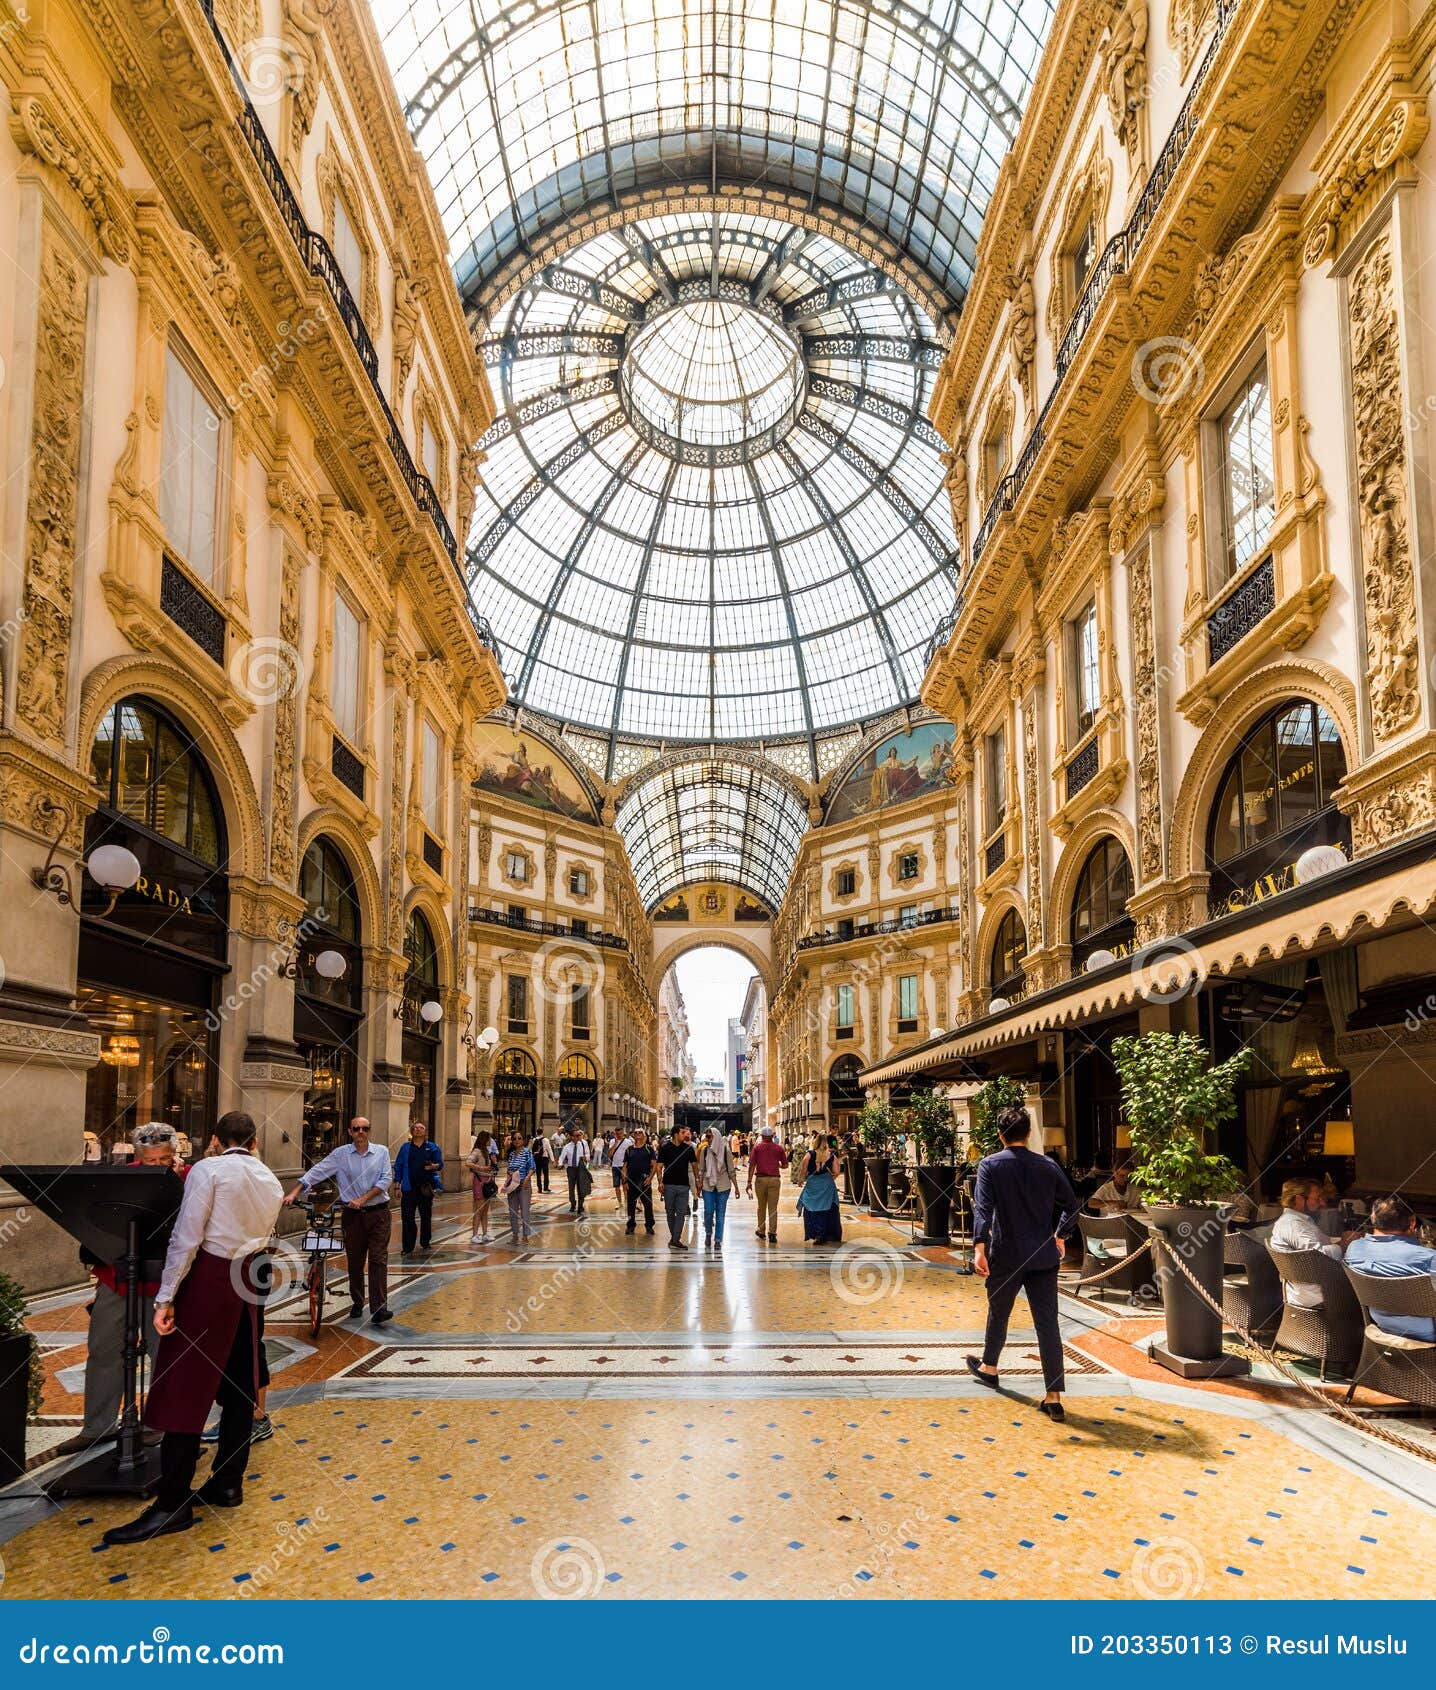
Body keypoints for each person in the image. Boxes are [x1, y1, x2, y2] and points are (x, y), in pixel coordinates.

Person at [102, 1112, 283, 1544]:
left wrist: (165, 1297)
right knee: (240, 1385)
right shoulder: (270, 1178)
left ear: (217, 1141)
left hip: (210, 1279)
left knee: (181, 1386)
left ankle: (172, 1503)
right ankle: (227, 1481)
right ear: (255, 1142)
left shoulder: (208, 1170)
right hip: (248, 1280)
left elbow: (187, 1238)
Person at [58, 1123, 186, 1458]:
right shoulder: (120, 1178)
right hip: (117, 1276)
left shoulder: (188, 1179)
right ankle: (97, 1427)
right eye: (151, 1161)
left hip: (163, 1283)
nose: (157, 1166)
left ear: (175, 1155)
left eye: (164, 1160)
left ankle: (158, 1421)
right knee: (104, 1348)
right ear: (138, 1156)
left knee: (162, 1353)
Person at [966, 1106, 1080, 1422]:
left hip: (1005, 1255)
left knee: (999, 1312)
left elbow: (983, 1211)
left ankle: (990, 1368)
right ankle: (1053, 1397)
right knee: (1047, 1325)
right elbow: (1071, 1206)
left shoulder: (990, 1166)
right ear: (1029, 1133)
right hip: (1043, 1257)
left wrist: (979, 1248)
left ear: (1000, 1134)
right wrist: (1060, 1235)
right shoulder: (1048, 1166)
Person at [284, 1116, 393, 1324]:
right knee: (355, 1261)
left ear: (369, 1131)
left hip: (378, 1214)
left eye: (365, 1128)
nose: (361, 1132)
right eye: (357, 1128)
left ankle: (380, 1307)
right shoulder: (341, 1154)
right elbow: (316, 1172)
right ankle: (358, 1302)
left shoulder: (382, 1152)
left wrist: (363, 1199)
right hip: (352, 1217)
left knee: (378, 1260)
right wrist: (294, 1193)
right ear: (350, 1132)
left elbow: (386, 1179)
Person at [1345, 1196, 1436, 1340]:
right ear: (1412, 1223)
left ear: (1373, 1218)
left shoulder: (1354, 1248)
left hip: (1381, 1325)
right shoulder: (1429, 1258)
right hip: (1427, 1333)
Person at [1267, 1177, 1359, 1308]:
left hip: (1311, 1287)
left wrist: (1342, 1241)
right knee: (1368, 1288)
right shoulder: (1293, 1225)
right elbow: (1317, 1255)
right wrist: (1344, 1244)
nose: (1322, 1203)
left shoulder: (1296, 1221)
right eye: (1317, 1198)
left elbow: (1315, 1248)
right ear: (1299, 1199)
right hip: (1314, 1293)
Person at [394, 1119, 443, 1256]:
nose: (418, 1129)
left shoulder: (432, 1147)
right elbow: (398, 1166)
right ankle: (408, 1246)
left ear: (425, 1132)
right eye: (415, 1128)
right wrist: (397, 1186)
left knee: (426, 1216)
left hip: (426, 1188)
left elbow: (440, 1164)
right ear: (412, 1131)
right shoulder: (405, 1147)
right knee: (407, 1217)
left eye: (421, 1128)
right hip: (409, 1188)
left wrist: (434, 1166)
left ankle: (425, 1242)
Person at [796, 1129, 843, 1245]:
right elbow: (837, 1171)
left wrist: (800, 1180)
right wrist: (830, 1178)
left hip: (813, 1184)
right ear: (826, 1142)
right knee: (828, 1208)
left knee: (811, 1206)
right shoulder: (831, 1155)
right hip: (827, 1184)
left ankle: (816, 1233)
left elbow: (803, 1170)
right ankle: (827, 1234)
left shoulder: (809, 1154)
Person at [658, 1122, 698, 1249]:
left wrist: (698, 1179)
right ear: (676, 1134)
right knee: (670, 1213)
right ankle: (675, 1239)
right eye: (682, 1133)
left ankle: (675, 1239)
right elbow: (659, 1167)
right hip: (668, 1185)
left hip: (683, 1186)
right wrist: (660, 1182)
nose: (685, 1135)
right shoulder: (664, 1148)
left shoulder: (688, 1148)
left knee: (681, 1214)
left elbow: (694, 1164)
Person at [746, 1124, 789, 1242]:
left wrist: (749, 1181)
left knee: (761, 1206)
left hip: (760, 1179)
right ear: (772, 1136)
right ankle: (772, 1233)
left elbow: (752, 1165)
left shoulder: (757, 1147)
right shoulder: (779, 1148)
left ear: (762, 1136)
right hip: (774, 1180)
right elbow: (785, 1165)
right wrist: (778, 1165)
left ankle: (761, 1230)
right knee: (773, 1207)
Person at [700, 1125, 739, 1249]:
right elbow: (702, 1170)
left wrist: (737, 1187)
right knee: (708, 1211)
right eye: (706, 1137)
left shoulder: (726, 1150)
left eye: (709, 1137)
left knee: (720, 1214)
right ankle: (708, 1233)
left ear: (715, 1137)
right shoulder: (704, 1150)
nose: (707, 1139)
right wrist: (699, 1184)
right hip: (708, 1186)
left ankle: (718, 1239)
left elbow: (731, 1170)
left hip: (723, 1187)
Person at [502, 1130, 537, 1243]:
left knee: (524, 1211)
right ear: (512, 1141)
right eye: (515, 1138)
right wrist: (510, 1174)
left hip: (523, 1185)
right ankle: (515, 1235)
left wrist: (526, 1179)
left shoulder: (527, 1152)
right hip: (513, 1185)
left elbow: (532, 1167)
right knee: (512, 1211)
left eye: (519, 1138)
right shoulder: (511, 1154)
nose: (517, 1140)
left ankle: (525, 1236)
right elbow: (509, 1168)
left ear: (523, 1140)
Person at [466, 1133, 499, 1245]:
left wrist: (494, 1163)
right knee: (478, 1210)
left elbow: (492, 1168)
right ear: (484, 1139)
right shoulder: (477, 1151)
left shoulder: (486, 1151)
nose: (490, 1140)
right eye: (489, 1138)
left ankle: (485, 1233)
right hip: (479, 1182)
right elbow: (468, 1162)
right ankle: (475, 1235)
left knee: (485, 1210)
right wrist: (482, 1168)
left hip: (487, 1182)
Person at [623, 1127, 656, 1234]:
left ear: (644, 1135)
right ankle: (630, 1225)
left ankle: (649, 1225)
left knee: (647, 1204)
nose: (637, 1134)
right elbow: (625, 1166)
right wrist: (624, 1181)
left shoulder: (648, 1148)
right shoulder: (629, 1149)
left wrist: (650, 1178)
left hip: (644, 1180)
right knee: (631, 1205)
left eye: (640, 1132)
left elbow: (654, 1165)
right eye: (635, 1132)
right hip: (631, 1180)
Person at [558, 1125, 591, 1215]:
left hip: (581, 1169)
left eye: (579, 1135)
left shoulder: (584, 1144)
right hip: (571, 1169)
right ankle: (573, 1203)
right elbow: (562, 1157)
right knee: (571, 1188)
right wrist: (560, 1164)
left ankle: (580, 1206)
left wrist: (586, 1157)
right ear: (572, 1137)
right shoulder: (567, 1146)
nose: (578, 1137)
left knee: (581, 1188)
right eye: (576, 1136)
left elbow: (588, 1154)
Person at [611, 1125, 633, 1208]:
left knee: (625, 1186)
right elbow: (609, 1154)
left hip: (625, 1167)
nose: (619, 1135)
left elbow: (631, 1155)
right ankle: (619, 1203)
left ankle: (627, 1203)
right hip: (615, 1166)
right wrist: (615, 1143)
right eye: (617, 1134)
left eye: (620, 1133)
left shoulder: (628, 1142)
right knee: (616, 1186)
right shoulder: (612, 1141)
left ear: (623, 1132)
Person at [530, 1128, 552, 1193]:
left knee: (538, 1174)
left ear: (536, 1133)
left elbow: (532, 1150)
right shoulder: (546, 1140)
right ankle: (545, 1188)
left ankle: (539, 1189)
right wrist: (553, 1159)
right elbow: (549, 1150)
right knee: (546, 1174)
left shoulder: (534, 1140)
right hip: (544, 1158)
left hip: (537, 1159)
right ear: (542, 1132)